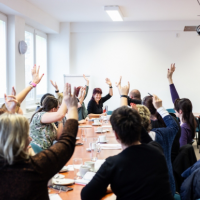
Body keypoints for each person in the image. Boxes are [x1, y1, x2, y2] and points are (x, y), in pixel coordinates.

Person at [81, 83, 174, 200]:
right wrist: (133, 114)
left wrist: (112, 187)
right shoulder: (156, 149)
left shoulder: (113, 164)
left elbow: (86, 195)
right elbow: (144, 135)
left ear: (115, 135)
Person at [0, 83, 79, 200]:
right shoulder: (37, 167)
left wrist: (10, 113)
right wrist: (72, 107)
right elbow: (67, 142)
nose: (30, 138)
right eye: (26, 135)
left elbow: (4, 130)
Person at [135, 102, 178, 195]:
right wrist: (160, 107)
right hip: (169, 189)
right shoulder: (163, 134)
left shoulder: (131, 143)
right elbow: (174, 126)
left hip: (144, 192)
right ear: (150, 120)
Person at [143, 95, 181, 163]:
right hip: (175, 158)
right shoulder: (173, 121)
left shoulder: (151, 127)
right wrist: (160, 108)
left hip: (163, 161)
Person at [167, 63, 196, 147]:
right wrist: (170, 79)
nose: (174, 109)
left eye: (175, 108)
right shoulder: (189, 122)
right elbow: (176, 100)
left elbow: (181, 151)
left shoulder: (183, 128)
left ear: (180, 111)